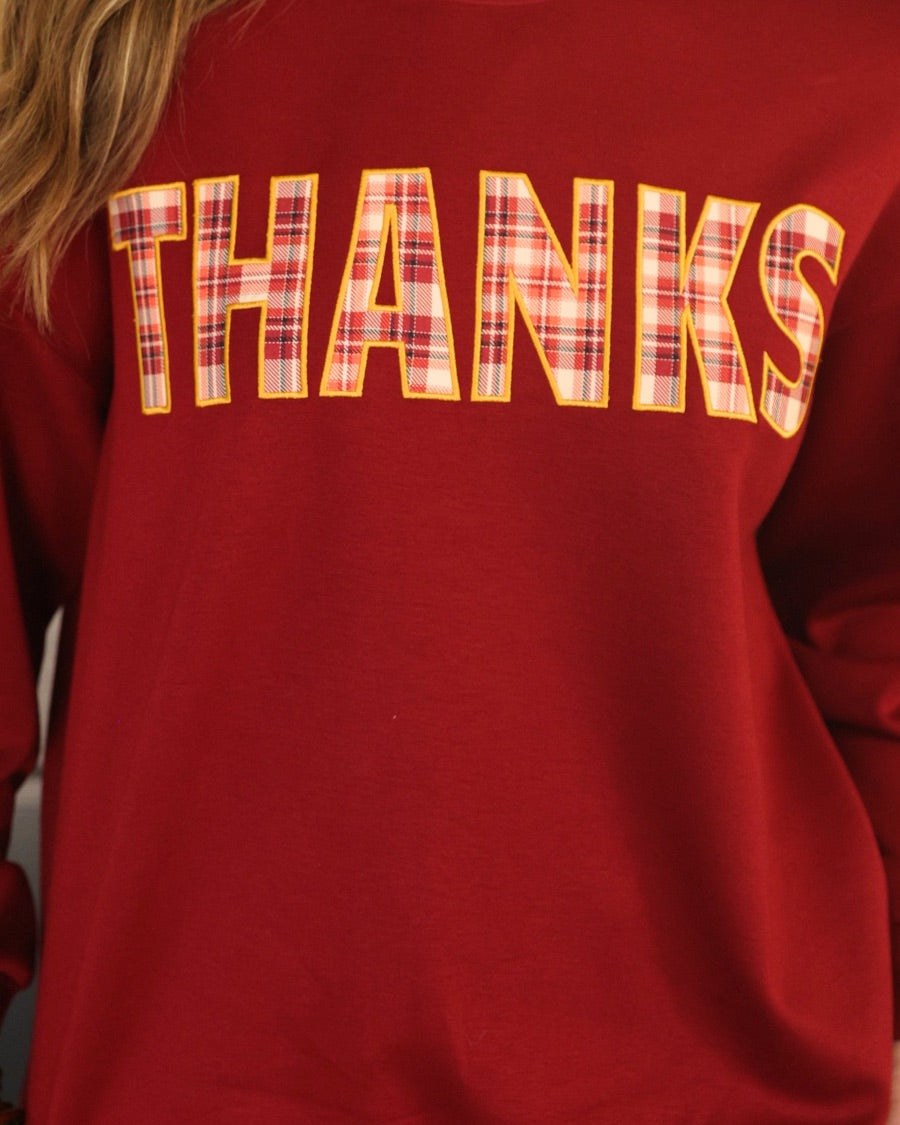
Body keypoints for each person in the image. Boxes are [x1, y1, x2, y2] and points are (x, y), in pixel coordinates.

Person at [0, 0, 898, 1120]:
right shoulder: (106, 43)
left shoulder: (855, 57)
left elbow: (874, 611)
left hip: (722, 1085)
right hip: (197, 1079)